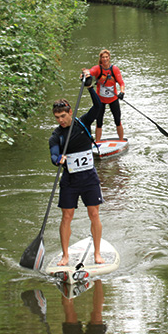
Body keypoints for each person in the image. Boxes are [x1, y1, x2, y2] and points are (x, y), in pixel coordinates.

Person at [50, 70, 105, 265]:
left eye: (63, 116)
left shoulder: (83, 123)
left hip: (89, 178)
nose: (61, 120)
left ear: (70, 112)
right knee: (67, 216)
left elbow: (98, 107)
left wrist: (90, 87)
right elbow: (54, 155)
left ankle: (97, 253)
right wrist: (59, 160)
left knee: (94, 214)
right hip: (70, 181)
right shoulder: (57, 136)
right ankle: (65, 255)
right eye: (57, 117)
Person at [87, 49, 126, 143]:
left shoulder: (114, 69)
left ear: (109, 58)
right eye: (103, 57)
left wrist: (122, 92)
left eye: (106, 57)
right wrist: (85, 74)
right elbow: (90, 72)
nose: (105, 59)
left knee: (117, 120)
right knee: (99, 122)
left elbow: (121, 83)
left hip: (113, 99)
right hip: (100, 100)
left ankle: (121, 141)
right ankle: (98, 142)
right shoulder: (97, 69)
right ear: (100, 59)